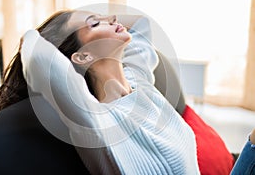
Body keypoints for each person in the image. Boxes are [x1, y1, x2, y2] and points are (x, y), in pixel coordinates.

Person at [14, 9, 200, 174]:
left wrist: (97, 19)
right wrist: (29, 36)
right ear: (83, 56)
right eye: (94, 24)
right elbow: (38, 58)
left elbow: (140, 23)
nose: (111, 18)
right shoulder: (94, 120)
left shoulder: (139, 80)